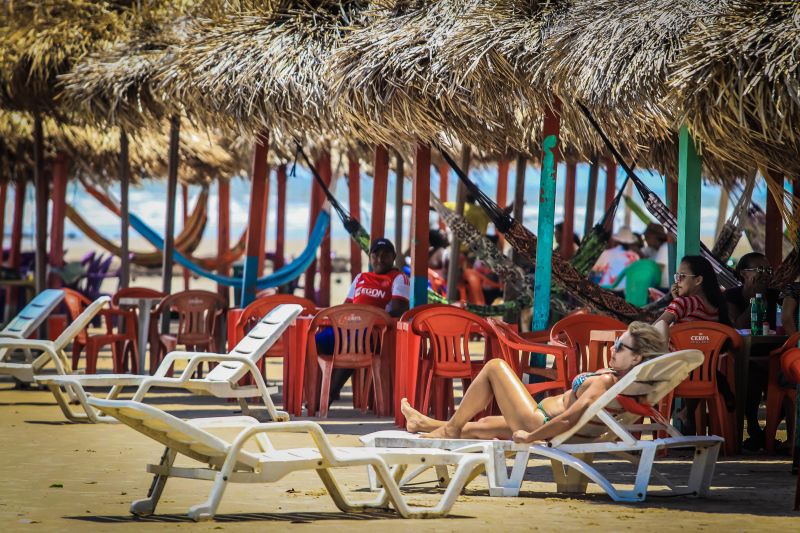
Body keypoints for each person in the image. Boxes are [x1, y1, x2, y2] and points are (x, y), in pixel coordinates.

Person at [401, 322, 668, 442]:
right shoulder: (627, 383)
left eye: (620, 347)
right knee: (482, 425)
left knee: (495, 367)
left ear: (636, 359)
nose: (613, 348)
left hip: (539, 423)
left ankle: (449, 429)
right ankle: (423, 423)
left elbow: (568, 420)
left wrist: (530, 437)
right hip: (544, 421)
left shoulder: (607, 382)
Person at [320, 238, 410, 402]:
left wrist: (367, 319)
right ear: (370, 257)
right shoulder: (361, 277)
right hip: (347, 328)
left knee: (354, 342)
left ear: (393, 257)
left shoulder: (398, 278)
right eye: (375, 255)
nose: (380, 260)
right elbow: (345, 306)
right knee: (313, 341)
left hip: (374, 335)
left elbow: (399, 309)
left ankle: (330, 393)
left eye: (385, 255)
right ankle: (318, 392)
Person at [654, 255, 730, 326]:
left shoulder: (683, 304)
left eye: (682, 276)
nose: (677, 281)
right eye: (677, 276)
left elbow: (652, 331)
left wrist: (677, 303)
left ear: (698, 280)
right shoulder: (718, 309)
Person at [724, 252, 780, 330]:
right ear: (743, 273)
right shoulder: (731, 295)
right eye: (760, 269)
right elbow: (738, 327)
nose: (766, 274)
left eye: (768, 270)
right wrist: (757, 299)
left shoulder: (776, 295)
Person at [591, 226, 640, 291]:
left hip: (605, 290)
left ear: (616, 240)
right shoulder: (635, 257)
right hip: (625, 292)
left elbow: (594, 270)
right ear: (631, 242)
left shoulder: (606, 253)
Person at [641, 223, 670, 290]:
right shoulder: (653, 249)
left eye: (647, 237)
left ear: (655, 237)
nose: (645, 240)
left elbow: (658, 271)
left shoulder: (665, 248)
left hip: (664, 289)